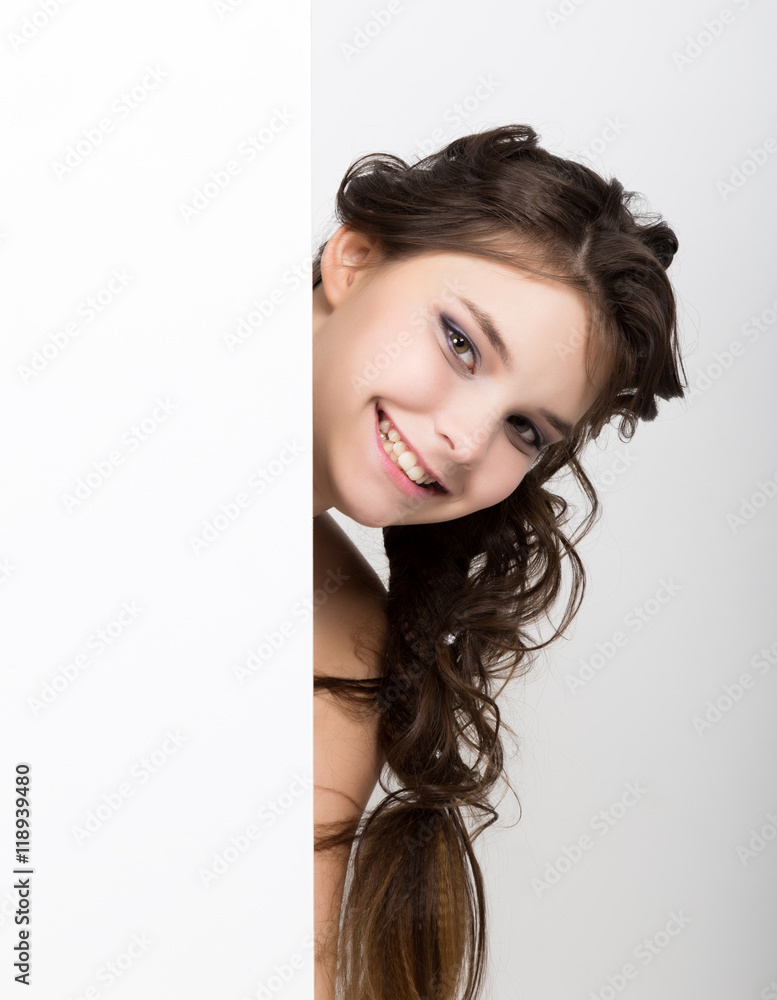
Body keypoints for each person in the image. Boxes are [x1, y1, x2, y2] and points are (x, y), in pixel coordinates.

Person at [311, 123, 685, 1000]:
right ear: (354, 259)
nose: (465, 438)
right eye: (460, 343)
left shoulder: (340, 642)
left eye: (525, 429)